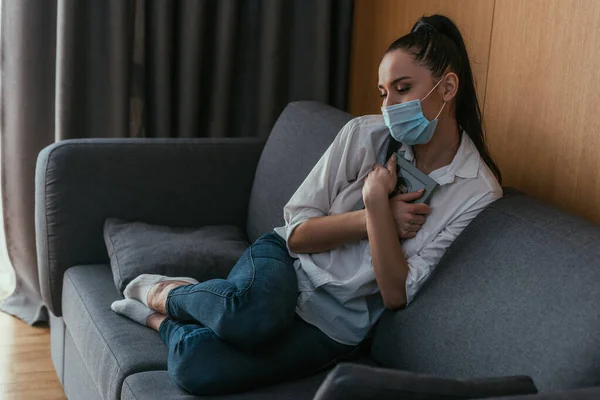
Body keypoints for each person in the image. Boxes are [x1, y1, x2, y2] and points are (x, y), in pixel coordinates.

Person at [111, 14, 503, 396]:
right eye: (384, 93)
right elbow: (297, 236)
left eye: (403, 88)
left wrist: (380, 211)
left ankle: (160, 320)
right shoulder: (363, 135)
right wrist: (372, 211)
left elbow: (394, 294)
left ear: (448, 87)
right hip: (285, 263)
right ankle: (166, 293)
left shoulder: (477, 191)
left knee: (198, 367)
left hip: (335, 324)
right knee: (250, 314)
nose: (389, 106)